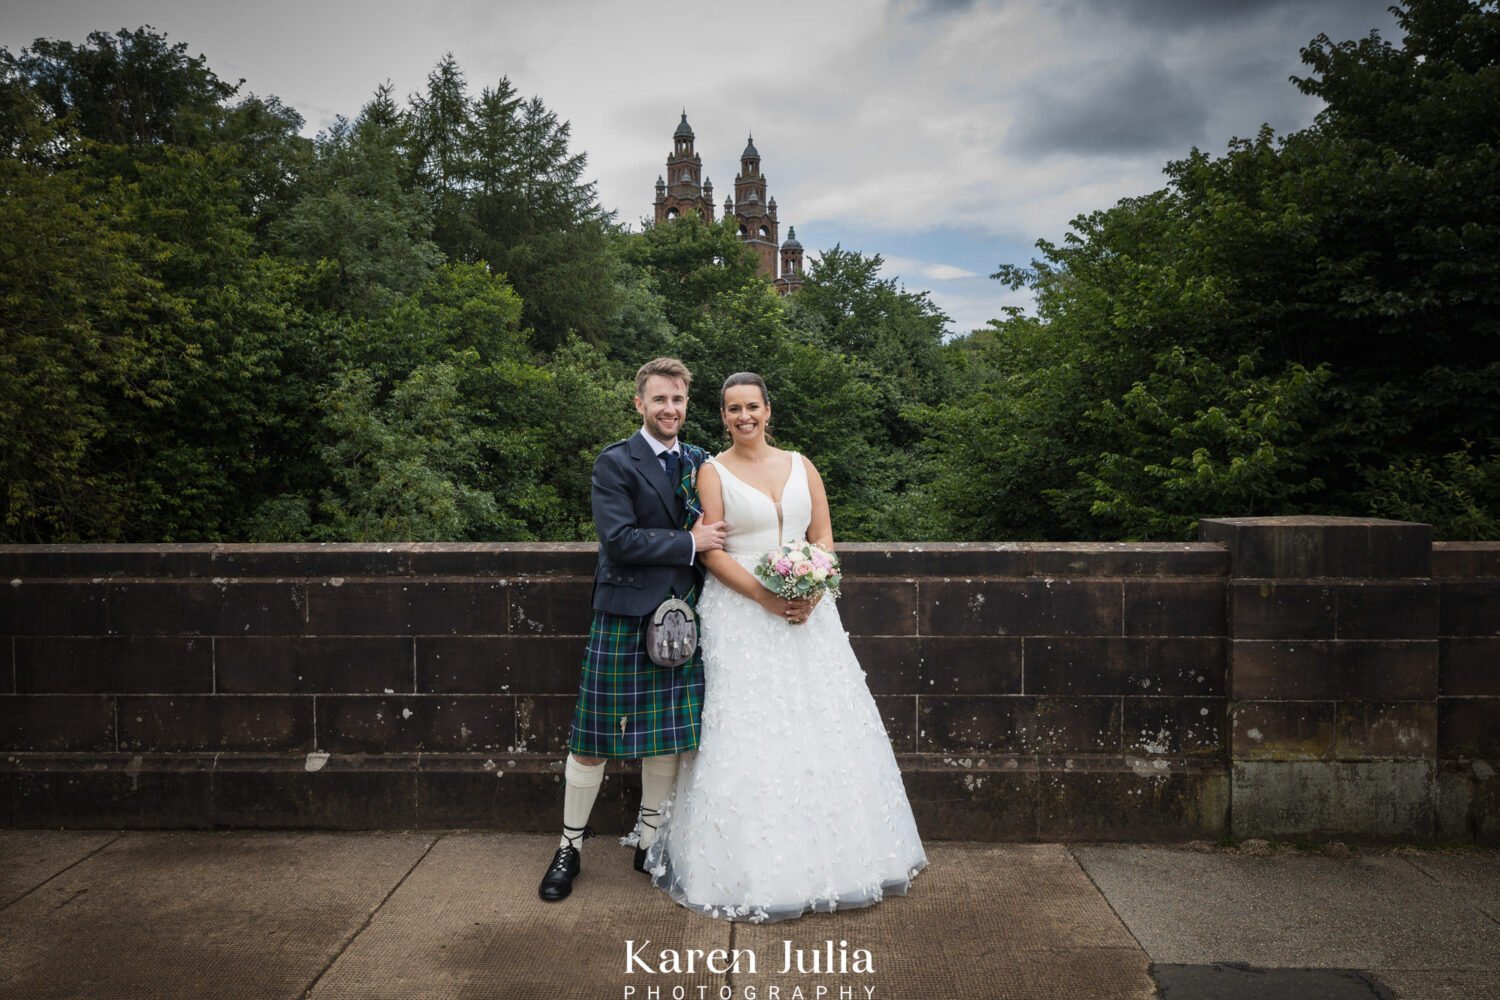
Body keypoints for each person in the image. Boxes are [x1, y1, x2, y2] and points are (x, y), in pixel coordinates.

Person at [644, 371, 928, 922]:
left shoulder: (803, 465)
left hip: (810, 615)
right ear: (722, 416)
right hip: (742, 613)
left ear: (768, 410)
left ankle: (838, 860)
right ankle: (748, 867)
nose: (743, 417)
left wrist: (814, 587)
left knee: (824, 727)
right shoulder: (712, 471)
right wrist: (767, 598)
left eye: (752, 406)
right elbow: (712, 552)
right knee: (749, 730)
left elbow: (822, 536)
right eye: (732, 409)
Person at [537, 357, 726, 902]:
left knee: (667, 739)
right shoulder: (616, 462)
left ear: (687, 405)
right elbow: (618, 539)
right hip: (625, 613)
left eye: (679, 400)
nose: (670, 408)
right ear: (639, 403)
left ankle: (648, 839)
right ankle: (570, 846)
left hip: (684, 611)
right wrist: (692, 542)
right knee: (592, 739)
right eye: (660, 399)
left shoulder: (700, 461)